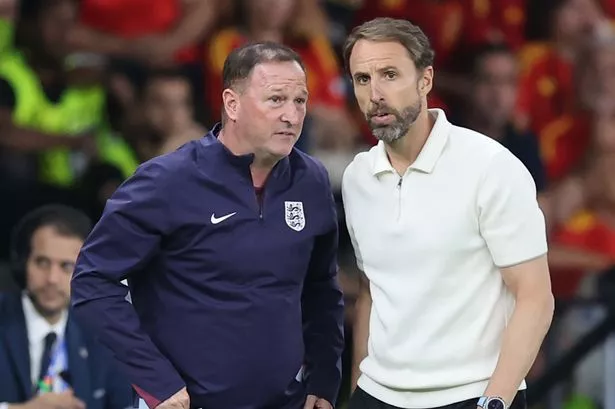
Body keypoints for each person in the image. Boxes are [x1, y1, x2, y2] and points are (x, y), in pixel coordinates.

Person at [70, 42, 345, 409]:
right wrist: (156, 382)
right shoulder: (167, 181)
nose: (292, 116)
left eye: (300, 101)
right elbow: (92, 282)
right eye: (276, 100)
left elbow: (321, 289)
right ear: (232, 104)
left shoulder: (311, 180)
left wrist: (324, 378)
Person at [341, 17, 554, 409]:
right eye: (362, 79)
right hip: (377, 395)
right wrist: (359, 388)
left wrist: (495, 401)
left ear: (426, 79)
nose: (376, 93)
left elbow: (535, 297)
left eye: (390, 74)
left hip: (471, 395)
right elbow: (372, 291)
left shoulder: (491, 166)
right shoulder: (357, 177)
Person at [0, 205, 133, 409]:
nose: (52, 279)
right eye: (42, 262)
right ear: (22, 263)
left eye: (66, 267)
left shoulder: (103, 335)